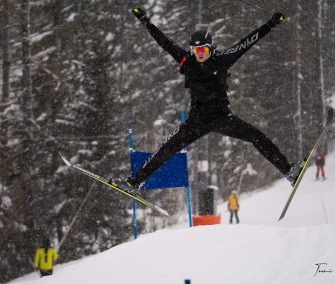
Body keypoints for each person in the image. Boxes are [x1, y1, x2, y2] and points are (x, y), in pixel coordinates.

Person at [112, 7, 303, 194]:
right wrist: (146, 21)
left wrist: (270, 24)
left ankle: (289, 171)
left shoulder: (222, 59)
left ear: (210, 48)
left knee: (256, 137)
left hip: (222, 117)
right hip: (196, 120)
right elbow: (164, 42)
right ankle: (134, 183)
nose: (199, 53)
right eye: (195, 49)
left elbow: (247, 42)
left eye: (202, 49)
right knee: (166, 149)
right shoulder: (187, 61)